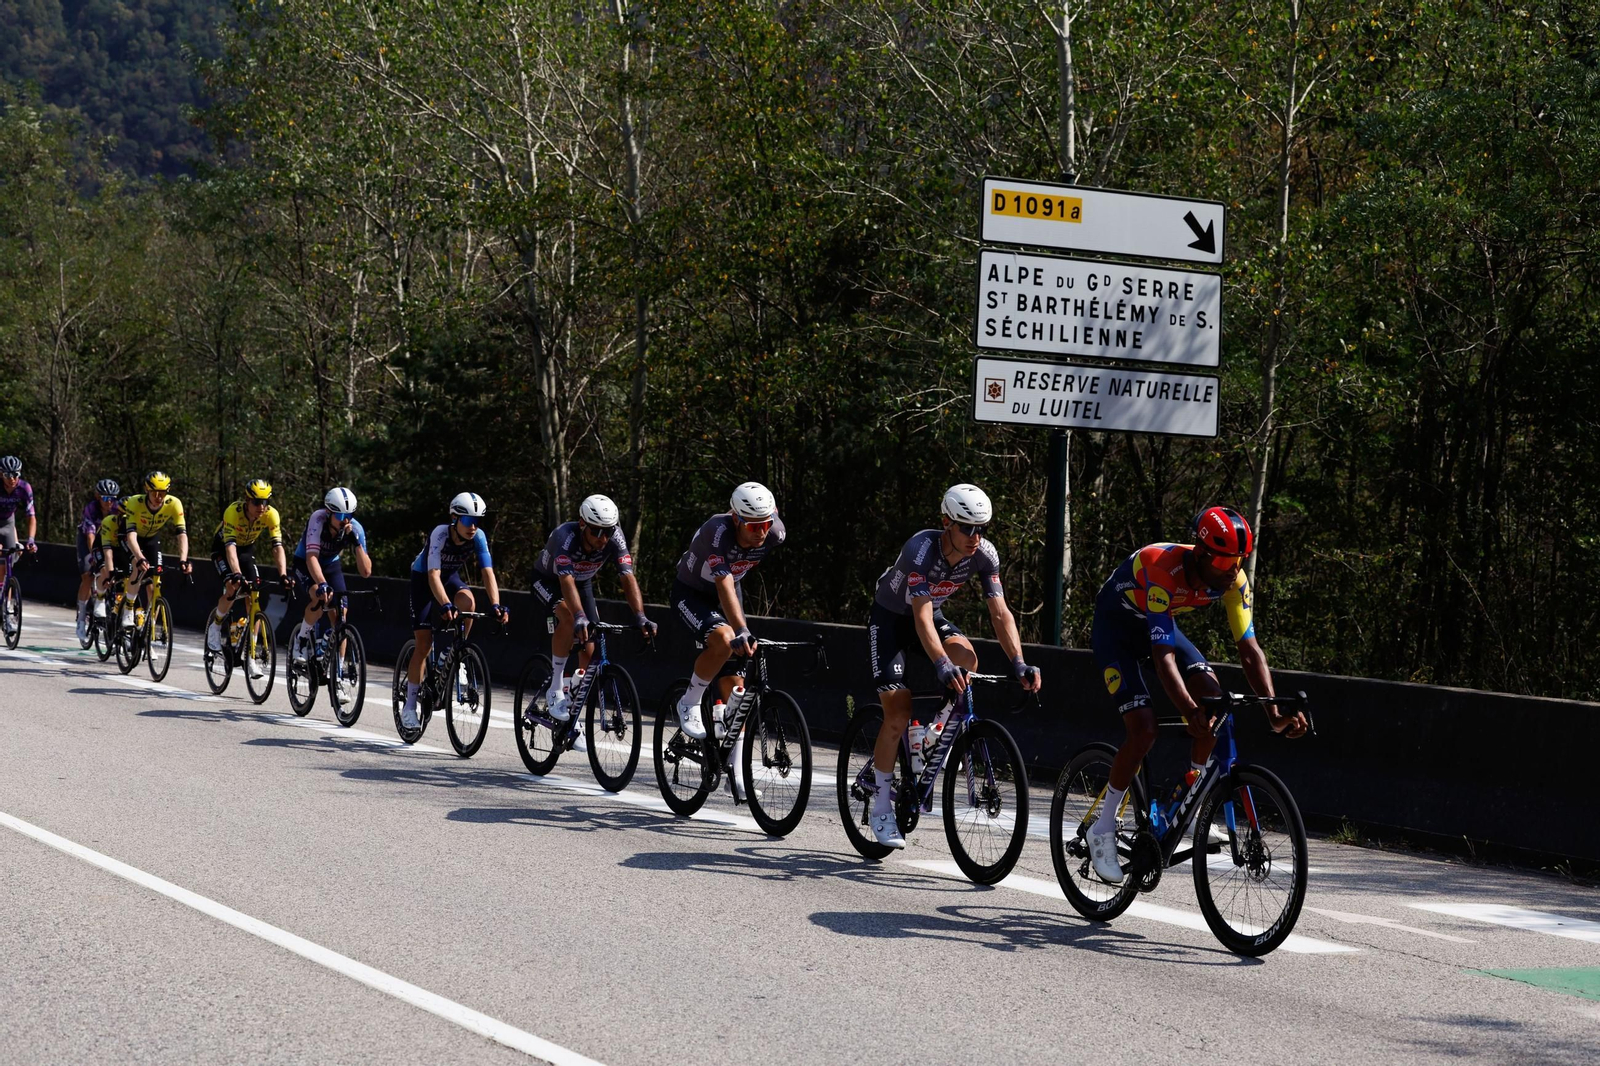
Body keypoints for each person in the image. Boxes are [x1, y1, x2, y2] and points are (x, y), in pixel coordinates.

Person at [1083, 505, 1308, 883]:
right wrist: (1188, 711)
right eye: (1223, 561)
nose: (1232, 570)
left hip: (1159, 625)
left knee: (1215, 698)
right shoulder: (1162, 568)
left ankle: (1184, 804)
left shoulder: (1234, 581)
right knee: (1144, 729)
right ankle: (1102, 828)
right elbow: (1163, 656)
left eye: (1238, 560)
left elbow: (1250, 650)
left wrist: (1273, 713)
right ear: (1201, 553)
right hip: (1116, 631)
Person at [864, 483, 1041, 848]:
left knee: (967, 660)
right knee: (897, 713)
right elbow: (921, 618)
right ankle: (881, 806)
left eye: (982, 529)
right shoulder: (921, 550)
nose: (975, 537)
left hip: (930, 615)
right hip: (892, 619)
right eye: (967, 528)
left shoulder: (984, 555)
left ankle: (928, 739)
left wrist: (1019, 662)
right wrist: (940, 663)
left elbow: (999, 612)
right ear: (947, 522)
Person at [528, 494, 656, 749]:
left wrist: (640, 616)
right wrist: (578, 617)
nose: (603, 538)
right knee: (568, 618)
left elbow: (627, 577)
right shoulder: (564, 536)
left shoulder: (614, 537)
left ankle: (573, 711)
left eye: (608, 531)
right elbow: (565, 582)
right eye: (597, 531)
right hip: (548, 581)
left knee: (590, 649)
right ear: (582, 524)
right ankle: (555, 687)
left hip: (582, 582)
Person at [668, 482, 786, 742]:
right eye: (754, 526)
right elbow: (722, 583)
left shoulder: (776, 533)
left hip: (731, 591)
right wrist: (741, 629)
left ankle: (734, 772)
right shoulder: (716, 531)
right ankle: (689, 701)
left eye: (765, 524)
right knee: (725, 639)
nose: (761, 532)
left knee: (737, 690)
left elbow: (731, 585)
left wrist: (741, 632)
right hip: (692, 593)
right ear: (736, 519)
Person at [401, 492, 508, 730]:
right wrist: (445, 603)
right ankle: (409, 706)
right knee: (424, 644)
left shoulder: (478, 537)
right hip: (424, 579)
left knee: (469, 603)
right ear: (454, 518)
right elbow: (432, 575)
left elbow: (487, 572)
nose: (473, 527)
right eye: (468, 521)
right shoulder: (439, 534)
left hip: (449, 578)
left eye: (477, 521)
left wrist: (495, 605)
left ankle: (454, 654)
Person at [206, 480, 293, 677]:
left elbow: (277, 546)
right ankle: (215, 626)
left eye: (265, 502)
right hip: (223, 548)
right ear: (247, 500)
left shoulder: (271, 514)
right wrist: (236, 573)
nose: (261, 507)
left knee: (254, 596)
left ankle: (250, 655)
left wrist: (283, 574)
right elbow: (229, 548)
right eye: (256, 502)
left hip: (246, 550)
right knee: (233, 586)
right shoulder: (233, 512)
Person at [291, 487, 373, 694]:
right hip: (306, 562)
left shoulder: (355, 528)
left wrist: (356, 544)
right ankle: (301, 641)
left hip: (331, 564)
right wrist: (321, 583)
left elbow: (366, 572)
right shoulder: (317, 519)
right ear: (328, 513)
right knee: (319, 597)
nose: (345, 520)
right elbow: (311, 557)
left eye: (349, 515)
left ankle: (337, 674)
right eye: (340, 515)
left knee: (342, 615)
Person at [118, 471, 193, 623]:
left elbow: (182, 535)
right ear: (147, 490)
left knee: (155, 579)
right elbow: (131, 536)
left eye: (163, 493)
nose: (159, 497)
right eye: (155, 493)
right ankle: (128, 608)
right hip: (133, 538)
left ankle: (149, 625)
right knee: (138, 567)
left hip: (152, 538)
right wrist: (139, 558)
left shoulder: (174, 503)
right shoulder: (134, 502)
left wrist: (183, 559)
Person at [74, 479, 121, 641]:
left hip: (108, 541)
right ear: (98, 497)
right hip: (89, 541)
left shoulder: (117, 509)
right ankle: (81, 619)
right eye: (106, 499)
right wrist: (95, 556)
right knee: (88, 575)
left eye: (113, 498)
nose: (110, 502)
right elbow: (90, 536)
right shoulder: (91, 509)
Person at [0, 455, 36, 555]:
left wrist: (31, 540)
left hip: (8, 523)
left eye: (15, 474)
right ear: (1, 474)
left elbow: (31, 516)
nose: (12, 479)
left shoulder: (24, 488)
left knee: (13, 554)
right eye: (8, 475)